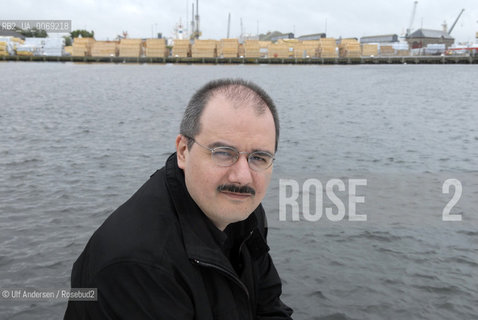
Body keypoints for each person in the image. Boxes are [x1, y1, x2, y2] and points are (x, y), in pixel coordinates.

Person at [64, 78, 293, 319]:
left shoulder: (244, 212)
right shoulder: (139, 264)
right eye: (224, 153)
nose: (242, 177)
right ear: (183, 151)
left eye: (258, 158)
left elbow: (269, 308)